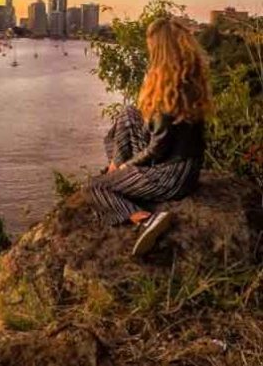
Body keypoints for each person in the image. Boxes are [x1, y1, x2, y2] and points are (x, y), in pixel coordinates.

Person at [84, 17, 212, 256]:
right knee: (129, 113)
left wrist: (126, 167)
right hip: (185, 167)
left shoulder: (167, 96)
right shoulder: (186, 81)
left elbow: (156, 150)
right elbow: (164, 140)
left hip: (170, 176)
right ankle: (115, 170)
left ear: (161, 50)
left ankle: (145, 220)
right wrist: (120, 166)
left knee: (95, 187)